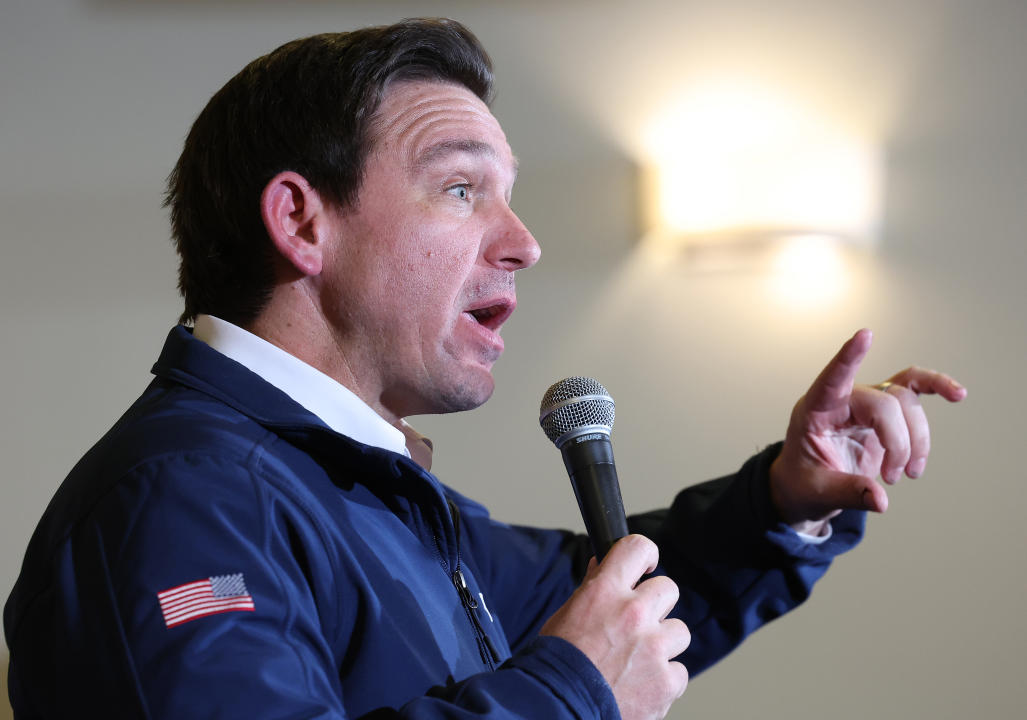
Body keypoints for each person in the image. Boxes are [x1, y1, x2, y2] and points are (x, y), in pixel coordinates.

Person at [3, 18, 965, 720]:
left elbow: (608, 607)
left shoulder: (351, 484)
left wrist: (784, 502)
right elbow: (584, 662)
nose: (524, 243)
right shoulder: (186, 501)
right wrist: (571, 692)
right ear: (302, 222)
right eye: (461, 189)